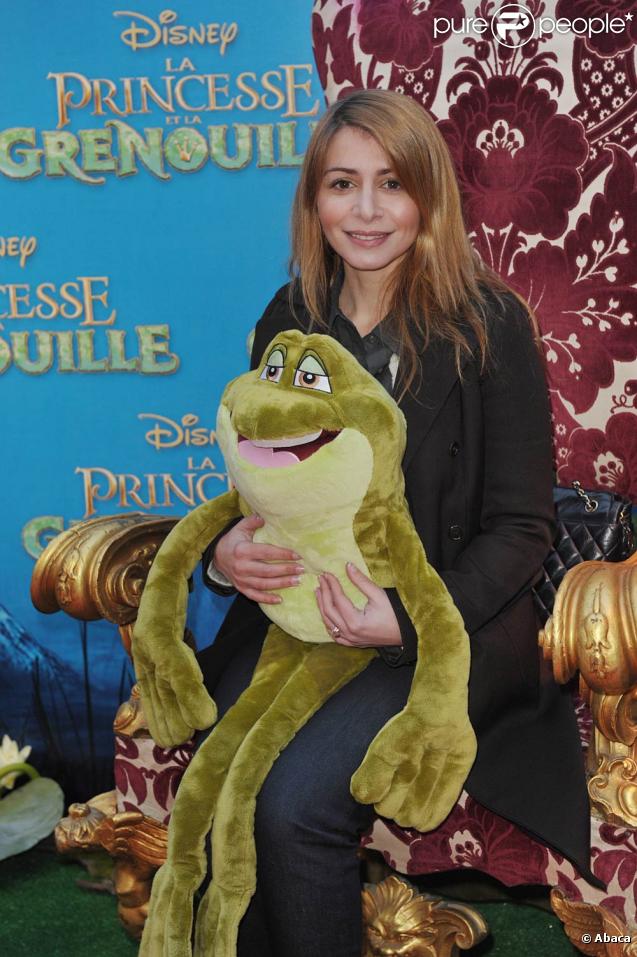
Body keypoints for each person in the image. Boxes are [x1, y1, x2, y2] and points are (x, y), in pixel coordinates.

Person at [196, 89, 594, 957]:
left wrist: (403, 616)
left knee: (293, 801)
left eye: (391, 184)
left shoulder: (490, 326)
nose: (367, 210)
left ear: (428, 197)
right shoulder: (288, 316)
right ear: (313, 201)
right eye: (342, 184)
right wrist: (227, 557)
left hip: (447, 627)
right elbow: (261, 482)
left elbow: (521, 530)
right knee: (222, 770)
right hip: (300, 619)